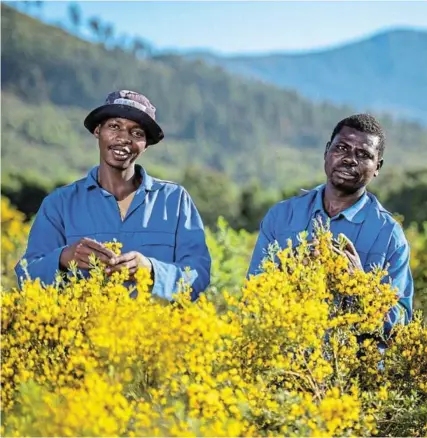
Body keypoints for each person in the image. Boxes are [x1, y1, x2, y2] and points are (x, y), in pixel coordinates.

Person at [15, 90, 211, 301]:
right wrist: (64, 258)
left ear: (145, 145)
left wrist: (152, 270)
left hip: (156, 331)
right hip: (83, 332)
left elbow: (198, 274)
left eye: (137, 133)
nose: (124, 138)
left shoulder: (174, 200)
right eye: (114, 126)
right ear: (98, 131)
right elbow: (26, 276)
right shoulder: (59, 204)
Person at [247, 114, 413, 333]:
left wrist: (360, 284)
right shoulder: (282, 216)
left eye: (363, 154)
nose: (350, 159)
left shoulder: (389, 235)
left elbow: (400, 322)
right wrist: (288, 269)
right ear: (327, 151)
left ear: (377, 167)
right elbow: (253, 297)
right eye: (342, 148)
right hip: (285, 360)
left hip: (353, 365)